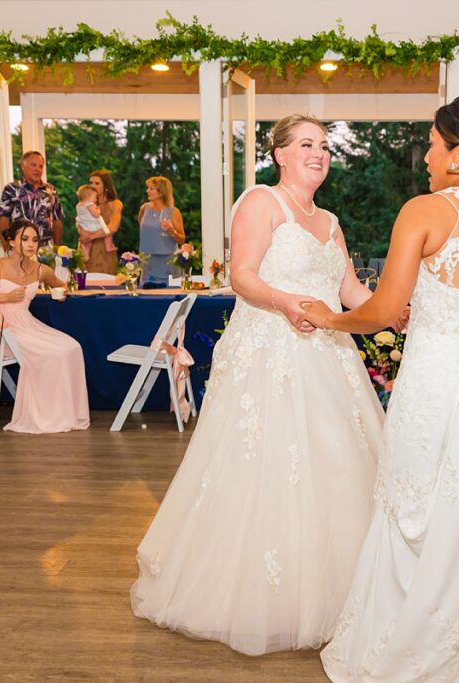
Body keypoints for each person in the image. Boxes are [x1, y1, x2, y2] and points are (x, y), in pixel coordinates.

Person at [131, 115, 387, 656]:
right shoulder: (260, 202)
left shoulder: (330, 221)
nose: (318, 153)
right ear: (280, 154)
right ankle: (255, 597)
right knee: (266, 467)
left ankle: (340, 594)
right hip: (272, 352)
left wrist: (393, 311)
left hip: (328, 356)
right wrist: (285, 302)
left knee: (336, 465)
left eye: (324, 145)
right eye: (306, 144)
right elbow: (242, 275)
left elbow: (348, 289)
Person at [301, 95, 459, 682]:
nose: (426, 156)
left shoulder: (425, 211)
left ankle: (399, 653)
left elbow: (383, 310)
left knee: (415, 509)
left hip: (436, 382)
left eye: (432, 145)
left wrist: (327, 318)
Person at [0, 219, 89, 434]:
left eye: (35, 240)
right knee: (53, 352)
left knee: (72, 347)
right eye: (25, 239)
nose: (31, 244)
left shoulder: (41, 270)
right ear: (12, 242)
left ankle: (64, 413)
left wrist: (60, 293)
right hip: (1, 328)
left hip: (28, 323)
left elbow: (62, 285)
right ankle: (46, 415)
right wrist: (5, 297)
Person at [0, 151, 64, 248]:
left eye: (40, 166)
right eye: (33, 165)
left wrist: (56, 249)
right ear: (23, 166)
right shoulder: (11, 189)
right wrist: (7, 249)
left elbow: (57, 221)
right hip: (20, 248)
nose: (37, 169)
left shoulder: (51, 190)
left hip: (46, 249)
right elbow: (4, 222)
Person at [137, 176, 184, 287]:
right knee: (145, 291)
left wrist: (171, 232)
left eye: (151, 188)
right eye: (148, 188)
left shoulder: (173, 212)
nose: (147, 191)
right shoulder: (144, 208)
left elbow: (182, 239)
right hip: (147, 262)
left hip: (167, 263)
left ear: (161, 192)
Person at [77, 169, 122, 275]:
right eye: (91, 183)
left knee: (106, 281)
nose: (93, 186)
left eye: (97, 183)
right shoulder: (85, 203)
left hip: (104, 250)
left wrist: (91, 237)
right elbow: (79, 222)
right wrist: (81, 232)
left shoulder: (115, 204)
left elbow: (113, 227)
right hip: (86, 249)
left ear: (106, 186)